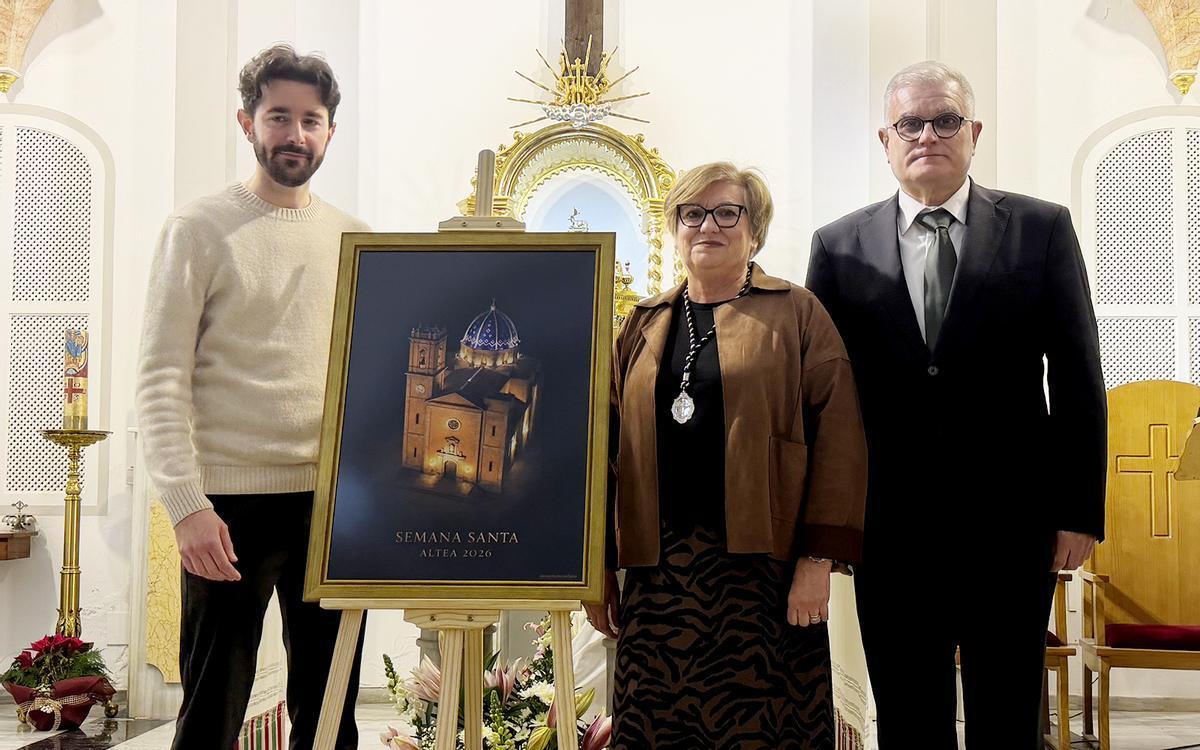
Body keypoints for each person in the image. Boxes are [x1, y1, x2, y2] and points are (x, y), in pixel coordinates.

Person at [806, 61, 1106, 749]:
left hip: (1012, 522)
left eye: (945, 120)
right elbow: (823, 399)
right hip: (890, 526)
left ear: (974, 132)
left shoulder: (1041, 228)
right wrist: (827, 527)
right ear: (885, 140)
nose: (927, 135)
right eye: (910, 123)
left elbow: (1077, 375)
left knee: (1008, 712)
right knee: (910, 716)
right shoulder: (838, 246)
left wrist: (1078, 511)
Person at [585, 162, 868, 749]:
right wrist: (599, 569)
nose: (707, 225)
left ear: (754, 229)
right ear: (675, 228)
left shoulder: (797, 312)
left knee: (766, 732)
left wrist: (817, 560)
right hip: (658, 574)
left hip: (764, 572)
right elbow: (604, 453)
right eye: (693, 213)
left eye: (726, 213)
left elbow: (839, 438)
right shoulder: (643, 323)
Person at [135, 44, 369, 750]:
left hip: (332, 506)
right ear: (247, 123)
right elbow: (160, 377)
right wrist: (187, 506)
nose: (295, 134)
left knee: (330, 716)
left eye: (311, 120)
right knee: (212, 712)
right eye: (278, 117)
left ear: (330, 132)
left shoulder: (355, 238)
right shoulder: (198, 229)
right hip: (226, 506)